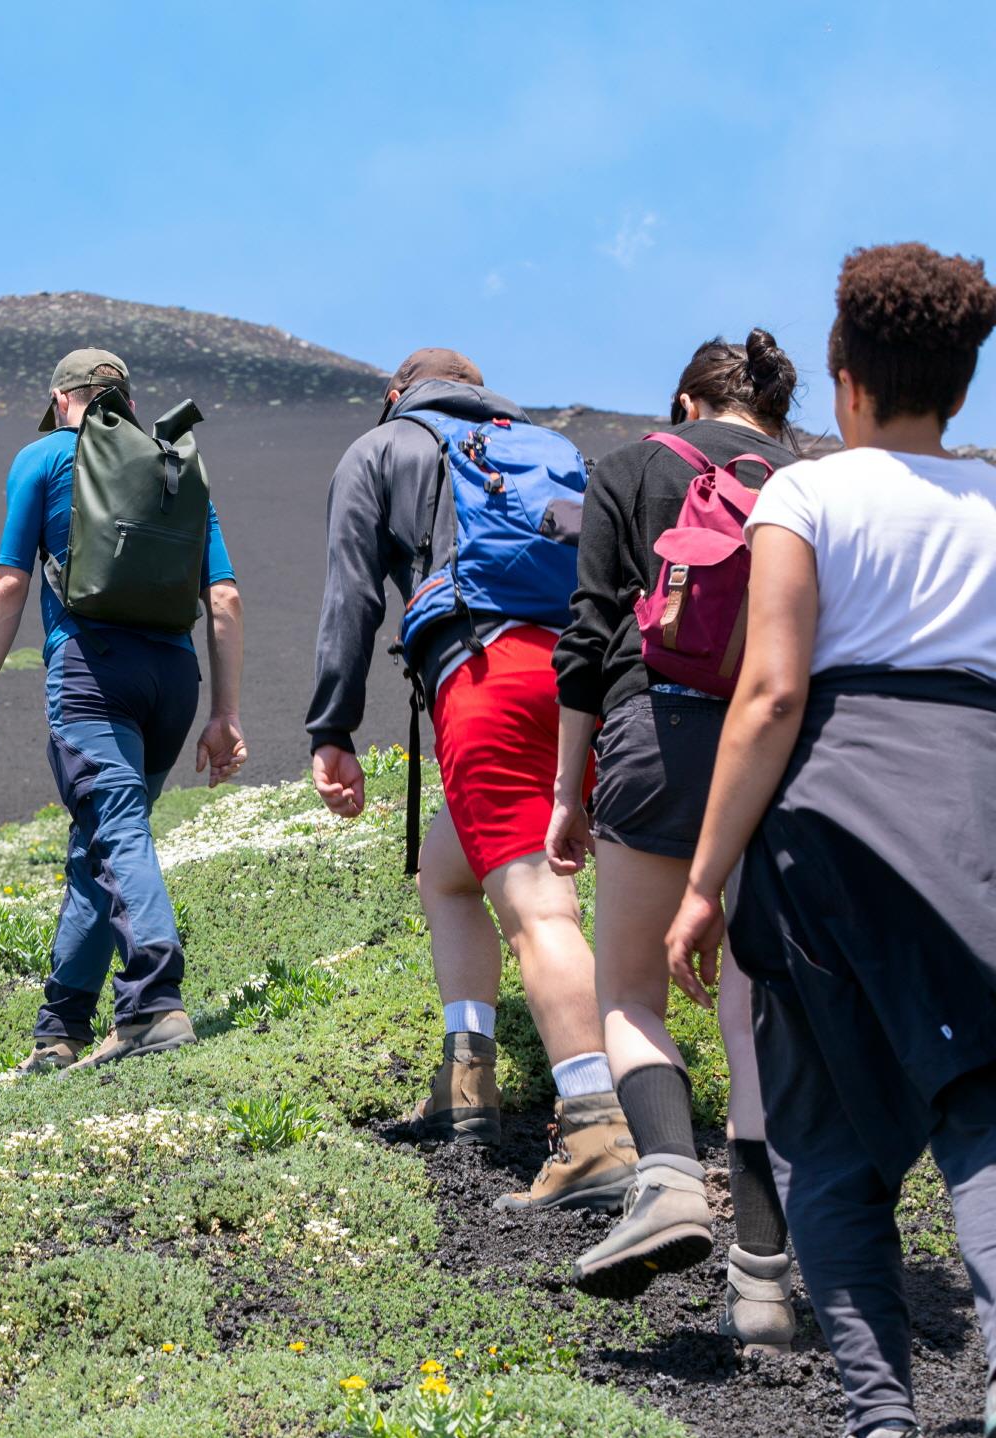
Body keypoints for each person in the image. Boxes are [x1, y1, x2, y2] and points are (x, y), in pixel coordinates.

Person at [666, 244, 996, 1438]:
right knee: (983, 1103)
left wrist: (704, 883)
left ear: (845, 375)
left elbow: (770, 695)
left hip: (829, 826)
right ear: (961, 387)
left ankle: (881, 1417)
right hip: (977, 812)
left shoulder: (803, 495)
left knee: (827, 1139)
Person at [307, 348, 635, 1212]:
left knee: (538, 906)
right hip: (576, 683)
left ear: (396, 392)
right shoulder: (538, 444)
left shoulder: (384, 448)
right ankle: (467, 1081)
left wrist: (332, 728)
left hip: (484, 675)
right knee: (450, 871)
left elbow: (351, 592)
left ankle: (599, 1130)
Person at [545, 333, 800, 1335]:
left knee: (632, 995)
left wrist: (571, 787)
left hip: (652, 735)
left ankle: (668, 1176)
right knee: (755, 1022)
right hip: (778, 756)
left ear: (686, 403)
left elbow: (590, 629)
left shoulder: (628, 466)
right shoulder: (807, 483)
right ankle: (766, 1283)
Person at [0, 348, 247, 1071]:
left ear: (62, 400)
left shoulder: (45, 456)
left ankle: (151, 1002)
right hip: (172, 681)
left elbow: (7, 581)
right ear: (127, 402)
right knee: (103, 838)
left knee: (111, 828)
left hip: (92, 668)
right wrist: (225, 713)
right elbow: (225, 597)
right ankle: (61, 1031)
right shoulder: (172, 463)